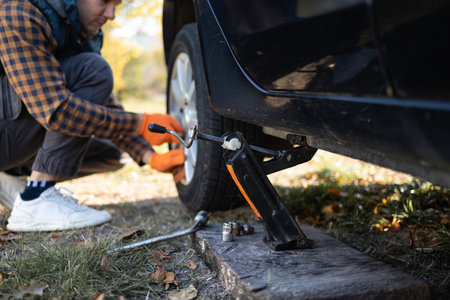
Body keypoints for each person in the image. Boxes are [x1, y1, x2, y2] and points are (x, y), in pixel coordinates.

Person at [0, 0, 185, 232]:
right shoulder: (18, 13)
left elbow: (99, 101)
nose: (111, 14)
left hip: (11, 133)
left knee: (110, 153)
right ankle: (36, 198)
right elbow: (58, 112)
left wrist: (149, 156)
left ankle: (11, 175)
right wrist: (140, 123)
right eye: (104, 2)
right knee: (93, 69)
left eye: (115, 5)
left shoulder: (74, 28)